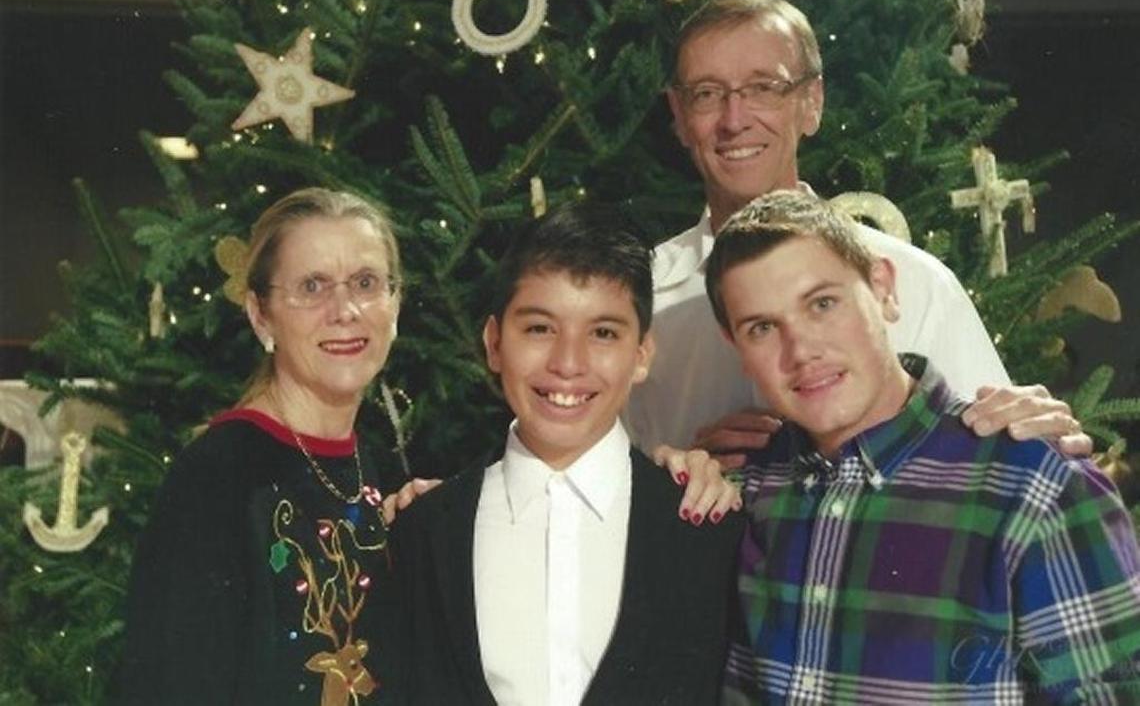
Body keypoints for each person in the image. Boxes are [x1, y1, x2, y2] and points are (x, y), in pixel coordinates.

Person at [624, 0, 1089, 465]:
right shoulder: (635, 298)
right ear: (679, 118)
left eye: (763, 87)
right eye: (707, 94)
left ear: (812, 102)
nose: (734, 119)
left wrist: (1043, 439)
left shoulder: (917, 282)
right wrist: (681, 473)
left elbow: (997, 450)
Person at [705, 191, 1140, 702]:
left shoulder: (1037, 490)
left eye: (823, 304)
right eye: (762, 328)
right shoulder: (745, 483)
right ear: (735, 345)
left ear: (883, 289)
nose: (802, 351)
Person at [388, 203, 744, 705]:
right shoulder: (424, 530)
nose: (568, 364)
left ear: (641, 354)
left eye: (603, 333)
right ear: (494, 343)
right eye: (539, 328)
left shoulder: (707, 528)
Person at [118, 188, 406, 705]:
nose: (344, 310)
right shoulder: (217, 476)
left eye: (366, 283)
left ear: (395, 303)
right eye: (312, 286)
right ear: (261, 316)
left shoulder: (388, 471)